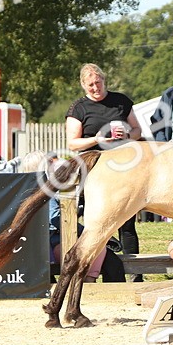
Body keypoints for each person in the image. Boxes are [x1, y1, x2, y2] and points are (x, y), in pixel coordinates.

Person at [66, 63, 144, 280]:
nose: (95, 87)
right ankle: (88, 270)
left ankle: (136, 275)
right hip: (93, 170)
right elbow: (72, 143)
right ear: (83, 85)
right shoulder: (78, 108)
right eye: (90, 84)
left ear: (104, 81)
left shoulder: (121, 101)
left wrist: (127, 136)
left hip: (123, 166)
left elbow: (138, 130)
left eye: (98, 82)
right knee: (94, 221)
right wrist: (97, 140)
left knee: (127, 222)